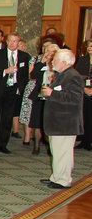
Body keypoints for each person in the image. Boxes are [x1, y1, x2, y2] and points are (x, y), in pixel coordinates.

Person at [41, 49, 83, 189]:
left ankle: (63, 180)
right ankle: (56, 177)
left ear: (64, 62)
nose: (52, 62)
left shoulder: (73, 76)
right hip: (58, 121)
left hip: (65, 122)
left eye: (55, 59)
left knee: (63, 153)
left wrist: (52, 93)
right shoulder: (63, 75)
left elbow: (75, 98)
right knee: (57, 152)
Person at [0, 32, 30, 154]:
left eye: (15, 41)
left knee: (7, 119)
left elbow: (25, 75)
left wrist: (20, 88)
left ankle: (2, 144)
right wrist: (5, 71)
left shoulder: (24, 56)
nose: (12, 43)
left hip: (12, 90)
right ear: (6, 41)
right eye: (10, 40)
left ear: (19, 42)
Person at [21, 41, 59, 155]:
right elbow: (33, 76)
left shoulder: (58, 64)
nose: (50, 54)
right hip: (39, 94)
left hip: (53, 96)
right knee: (37, 122)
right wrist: (42, 62)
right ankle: (36, 146)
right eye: (48, 52)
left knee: (51, 123)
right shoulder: (40, 62)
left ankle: (50, 147)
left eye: (53, 52)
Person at [76, 40, 92, 151]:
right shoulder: (82, 60)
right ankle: (82, 140)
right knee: (84, 116)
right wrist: (84, 89)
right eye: (88, 46)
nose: (90, 48)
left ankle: (89, 141)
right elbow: (77, 76)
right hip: (84, 92)